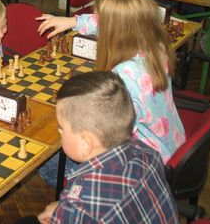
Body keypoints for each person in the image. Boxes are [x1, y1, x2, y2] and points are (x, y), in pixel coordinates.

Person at [37, 0, 185, 164]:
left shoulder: (125, 75)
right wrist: (73, 22)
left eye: (100, 20)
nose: (96, 22)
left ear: (114, 29)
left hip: (144, 160)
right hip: (172, 144)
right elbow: (113, 22)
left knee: (48, 156)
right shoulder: (155, 45)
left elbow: (108, 133)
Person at [19, 71, 178, 224]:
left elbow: (85, 210)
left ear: (85, 143)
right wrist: (62, 210)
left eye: (62, 128)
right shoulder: (147, 152)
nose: (59, 131)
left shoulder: (81, 206)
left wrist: (63, 213)